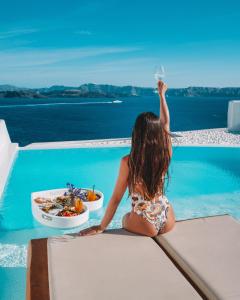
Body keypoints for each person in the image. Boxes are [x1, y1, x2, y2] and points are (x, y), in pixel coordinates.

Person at [79, 80, 175, 237]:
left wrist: (101, 227)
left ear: (136, 134)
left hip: (146, 223)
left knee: (125, 219)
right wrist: (162, 96)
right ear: (158, 135)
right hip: (167, 216)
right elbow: (166, 124)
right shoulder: (165, 153)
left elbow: (116, 198)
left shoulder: (129, 162)